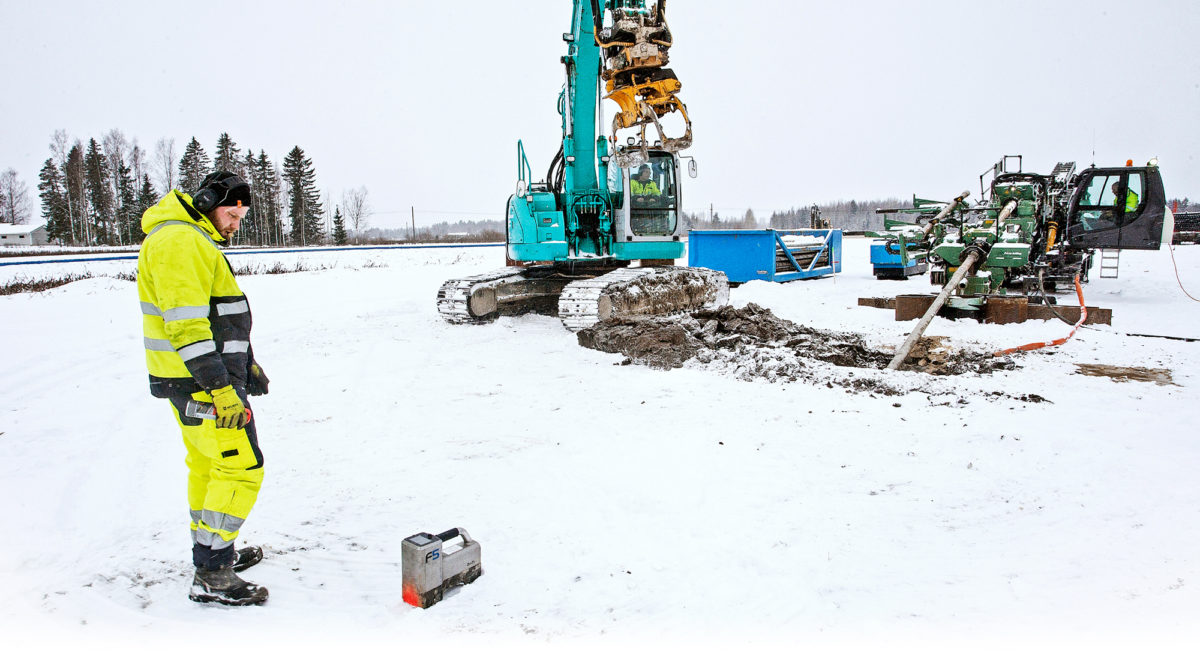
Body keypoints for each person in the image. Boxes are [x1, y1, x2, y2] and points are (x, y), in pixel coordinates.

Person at [137, 171, 271, 606]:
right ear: (209, 200)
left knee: (208, 467)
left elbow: (218, 315)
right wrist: (221, 388)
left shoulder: (187, 237)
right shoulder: (180, 242)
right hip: (202, 385)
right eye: (232, 213)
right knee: (241, 469)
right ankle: (212, 572)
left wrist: (246, 365)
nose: (235, 224)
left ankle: (213, 554)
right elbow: (188, 325)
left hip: (193, 379)